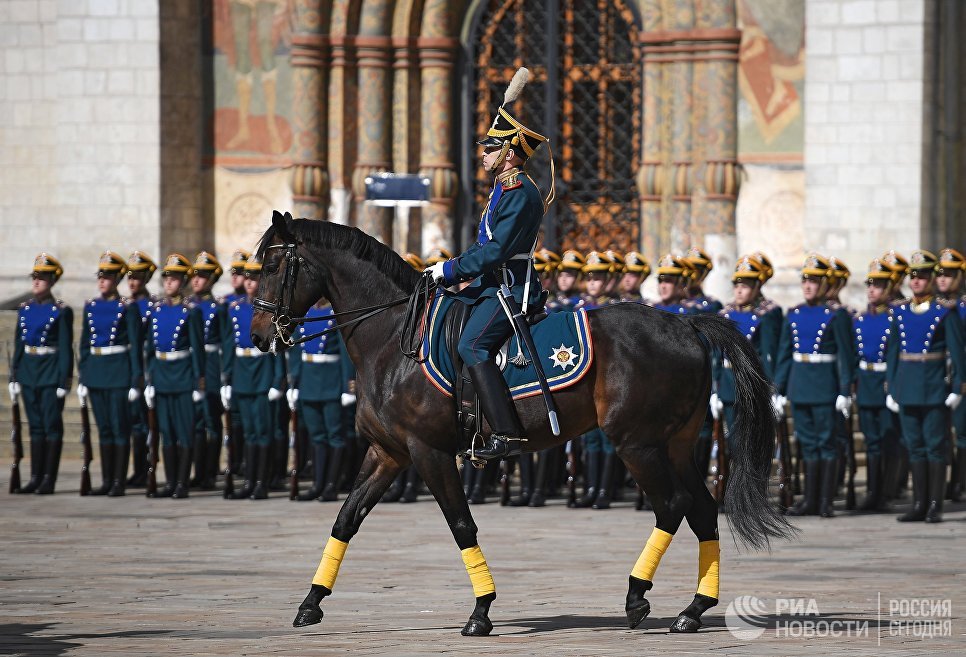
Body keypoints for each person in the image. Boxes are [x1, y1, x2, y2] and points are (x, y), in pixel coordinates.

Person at [424, 71, 553, 462]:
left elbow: (497, 252)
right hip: (492, 284)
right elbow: (483, 246)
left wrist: (451, 270)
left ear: (508, 154)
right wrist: (451, 271)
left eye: (489, 149)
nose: (482, 154)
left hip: (511, 287)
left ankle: (507, 433)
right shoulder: (502, 188)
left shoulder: (519, 192)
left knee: (472, 345)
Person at [886, 250, 965, 523]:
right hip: (907, 386)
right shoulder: (899, 311)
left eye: (922, 276)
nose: (917, 281)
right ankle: (918, 503)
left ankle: (935, 505)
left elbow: (957, 353)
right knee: (914, 446)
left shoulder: (944, 312)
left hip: (933, 388)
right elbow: (894, 353)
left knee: (935, 446)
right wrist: (892, 389)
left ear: (931, 278)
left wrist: (957, 387)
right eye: (913, 277)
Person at [774, 254, 853, 518]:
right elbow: (785, 354)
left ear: (825, 284)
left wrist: (844, 391)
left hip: (825, 385)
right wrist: (779, 389)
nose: (808, 285)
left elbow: (845, 354)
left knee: (826, 443)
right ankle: (809, 498)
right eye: (805, 280)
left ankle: (825, 501)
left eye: (814, 281)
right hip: (800, 384)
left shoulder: (836, 315)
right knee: (807, 444)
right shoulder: (794, 313)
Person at [77, 252, 143, 497]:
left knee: (119, 428)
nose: (102, 281)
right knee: (104, 428)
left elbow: (136, 346)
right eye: (100, 276)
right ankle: (106, 480)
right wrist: (83, 376)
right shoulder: (91, 307)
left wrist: (136, 380)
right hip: (96, 371)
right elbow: (84, 344)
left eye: (107, 277)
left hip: (118, 372)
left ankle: (118, 481)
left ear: (117, 279)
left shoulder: (127, 307)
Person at [222, 256, 285, 500]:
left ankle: (262, 482)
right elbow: (229, 345)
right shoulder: (235, 308)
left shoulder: (270, 309)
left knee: (262, 431)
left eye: (254, 278)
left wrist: (277, 381)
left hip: (262, 375)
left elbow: (277, 347)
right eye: (247, 278)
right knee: (248, 432)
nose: (249, 283)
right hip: (242, 375)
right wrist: (226, 378)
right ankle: (248, 480)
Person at [9, 254, 73, 495]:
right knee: (35, 427)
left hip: (49, 374)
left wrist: (63, 380)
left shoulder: (60, 311)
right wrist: (14, 376)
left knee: (51, 427)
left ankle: (49, 478)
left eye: (42, 278)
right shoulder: (25, 309)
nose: (36, 282)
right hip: (28, 372)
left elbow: (65, 349)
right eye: (35, 277)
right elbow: (19, 345)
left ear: (52, 281)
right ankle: (35, 477)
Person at [144, 254, 205, 499]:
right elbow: (149, 348)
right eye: (167, 277)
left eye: (175, 278)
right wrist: (149, 380)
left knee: (183, 432)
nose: (169, 282)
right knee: (166, 433)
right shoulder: (156, 311)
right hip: (161, 377)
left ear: (184, 281)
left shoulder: (191, 312)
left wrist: (198, 383)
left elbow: (197, 350)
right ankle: (169, 482)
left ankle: (182, 482)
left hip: (182, 378)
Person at [287, 297, 356, 502]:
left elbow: (346, 353)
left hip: (331, 381)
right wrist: (294, 383)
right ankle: (317, 484)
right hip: (308, 380)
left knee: (334, 435)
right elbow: (296, 350)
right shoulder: (305, 314)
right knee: (316, 435)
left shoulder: (336, 314)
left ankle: (331, 485)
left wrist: (348, 385)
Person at [711, 256, 783, 450]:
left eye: (746, 285)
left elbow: (769, 355)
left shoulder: (765, 314)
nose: (740, 290)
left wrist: (771, 389)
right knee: (733, 444)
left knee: (750, 443)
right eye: (737, 285)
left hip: (751, 384)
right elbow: (717, 358)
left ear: (757, 286)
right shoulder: (725, 315)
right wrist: (715, 390)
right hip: (727, 385)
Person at [853, 258, 901, 512]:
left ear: (889, 288)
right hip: (866, 383)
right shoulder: (859, 319)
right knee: (871, 441)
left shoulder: (896, 318)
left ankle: (887, 491)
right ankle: (873, 491)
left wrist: (894, 387)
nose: (872, 289)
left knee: (888, 439)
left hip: (885, 383)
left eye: (879, 285)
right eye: (870, 284)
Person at [574, 251, 618, 509]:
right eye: (589, 278)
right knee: (589, 438)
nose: (592, 283)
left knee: (607, 436)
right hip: (584, 378)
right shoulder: (578, 308)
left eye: (598, 278)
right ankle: (590, 488)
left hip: (607, 377)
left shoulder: (612, 309)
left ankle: (605, 490)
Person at [187, 251, 226, 490]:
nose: (196, 280)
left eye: (202, 276)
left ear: (212, 279)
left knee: (212, 420)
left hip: (212, 365)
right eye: (194, 276)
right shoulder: (187, 306)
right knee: (196, 422)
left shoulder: (218, 308)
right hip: (191, 364)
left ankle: (210, 471)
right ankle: (197, 471)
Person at [124, 251, 158, 486]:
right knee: (133, 423)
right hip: (124, 368)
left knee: (147, 423)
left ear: (145, 278)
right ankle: (136, 470)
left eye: (137, 277)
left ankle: (148, 468)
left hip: (145, 368)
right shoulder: (123, 306)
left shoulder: (152, 307)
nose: (132, 282)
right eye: (129, 277)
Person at [935, 248, 966, 501]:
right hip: (937, 377)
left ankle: (959, 482)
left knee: (962, 432)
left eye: (950, 274)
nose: (943, 279)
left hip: (960, 377)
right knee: (939, 434)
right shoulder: (932, 308)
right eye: (940, 274)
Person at [684, 247, 723, 314]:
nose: (692, 275)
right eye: (689, 269)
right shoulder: (672, 302)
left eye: (696, 270)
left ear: (704, 274)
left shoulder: (712, 306)